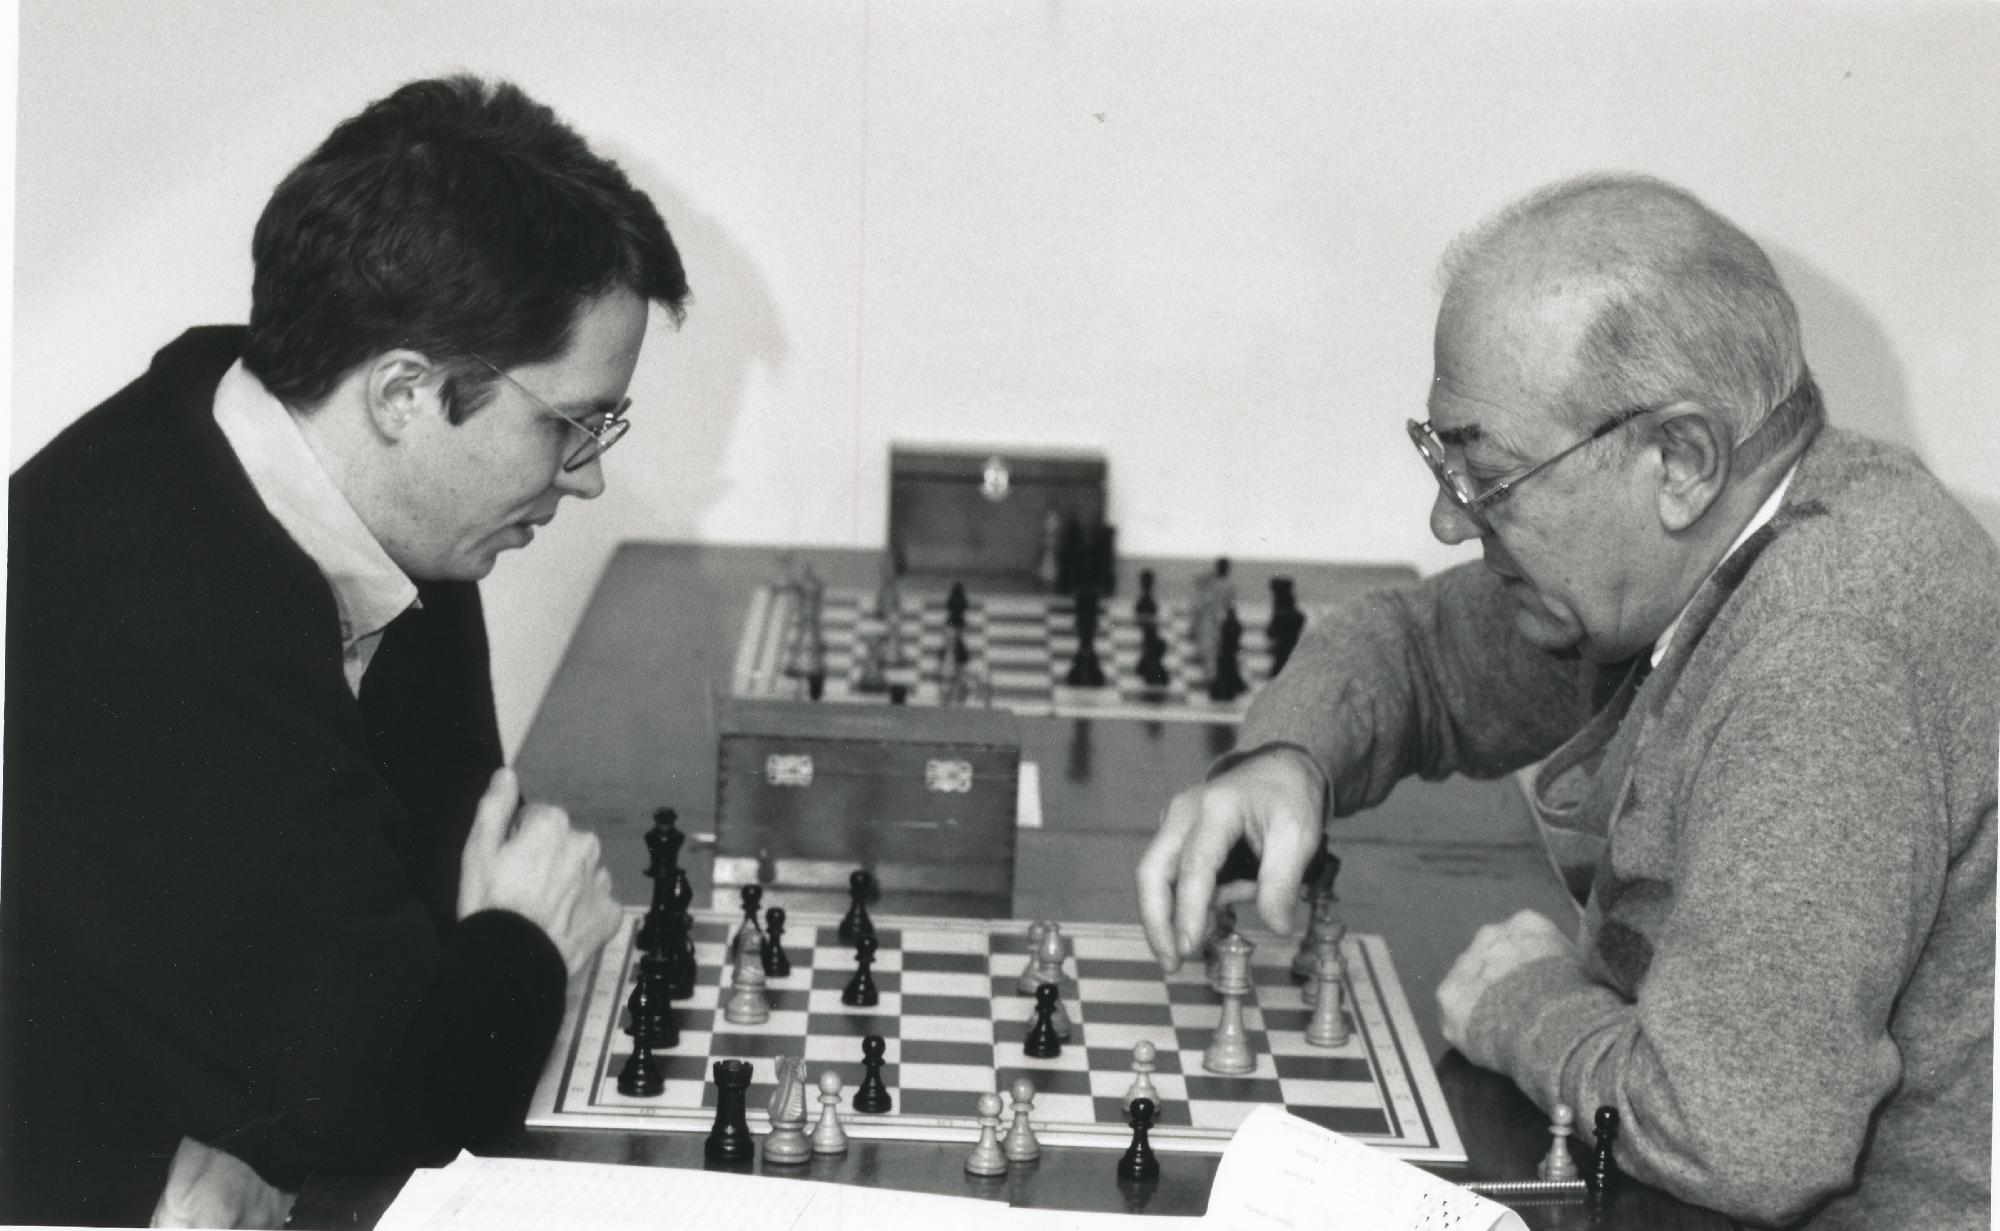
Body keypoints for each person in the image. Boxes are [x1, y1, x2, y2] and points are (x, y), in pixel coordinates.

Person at [1136, 175, 1995, 1229]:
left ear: (1677, 458)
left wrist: (1523, 1006)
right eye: (1440, 456)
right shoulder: (1698, 547)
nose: (1450, 522)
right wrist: (1287, 757)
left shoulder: (1825, 651)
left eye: (1485, 475)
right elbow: (1416, 650)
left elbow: (1734, 1137)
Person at [3, 76, 689, 1227]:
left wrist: (456, 973)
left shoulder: (371, 501)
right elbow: (385, 1094)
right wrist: (526, 944)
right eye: (568, 424)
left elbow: (414, 947)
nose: (587, 475)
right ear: (404, 393)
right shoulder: (158, 608)